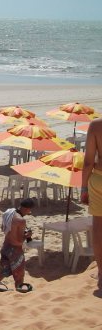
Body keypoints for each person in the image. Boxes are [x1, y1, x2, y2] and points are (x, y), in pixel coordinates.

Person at [0, 198, 35, 293]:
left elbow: (4, 228)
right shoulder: (21, 220)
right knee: (19, 277)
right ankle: (18, 297)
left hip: (5, 248)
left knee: (2, 274)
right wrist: (27, 236)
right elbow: (18, 241)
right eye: (29, 210)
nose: (29, 212)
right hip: (15, 251)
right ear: (27, 209)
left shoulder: (9, 213)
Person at [81, 117, 102, 291]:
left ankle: (101, 273)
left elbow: (88, 161)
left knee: (98, 225)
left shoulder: (96, 125)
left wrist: (83, 188)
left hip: (99, 179)